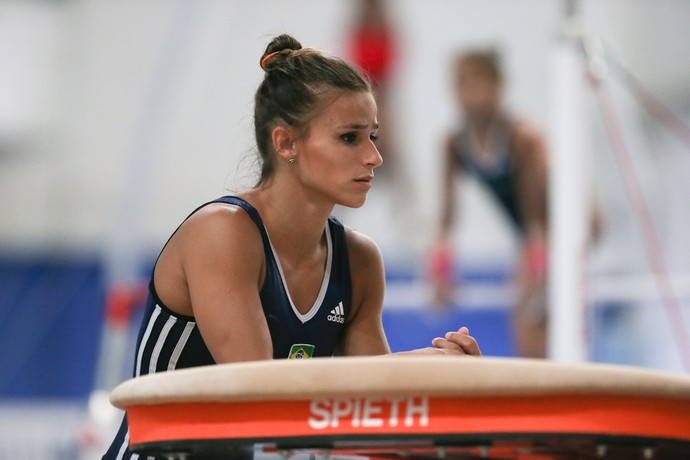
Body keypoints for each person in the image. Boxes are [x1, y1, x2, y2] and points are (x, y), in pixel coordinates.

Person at [103, 34, 481, 460]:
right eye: (349, 138)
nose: (374, 156)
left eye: (372, 136)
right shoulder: (222, 233)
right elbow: (261, 392)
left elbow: (372, 412)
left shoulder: (358, 259)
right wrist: (415, 367)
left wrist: (441, 372)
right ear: (285, 143)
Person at [430, 49, 549, 359]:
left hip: (571, 223)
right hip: (529, 232)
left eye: (474, 83)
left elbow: (537, 219)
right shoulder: (455, 143)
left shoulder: (524, 138)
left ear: (498, 86)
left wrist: (537, 267)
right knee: (529, 321)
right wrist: (441, 270)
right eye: (459, 84)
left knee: (532, 313)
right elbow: (446, 218)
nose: (467, 95)